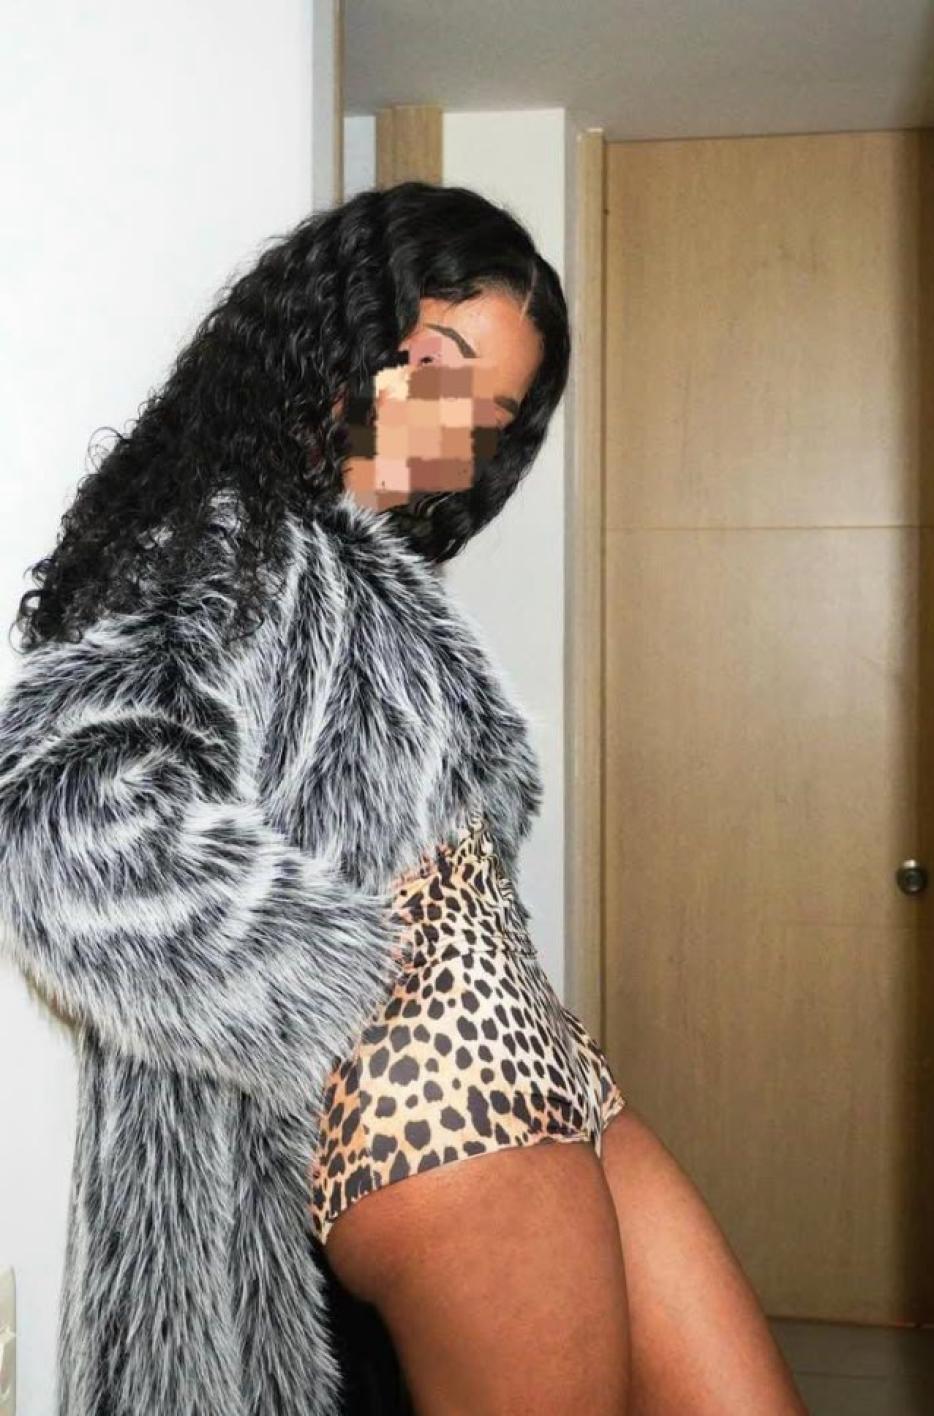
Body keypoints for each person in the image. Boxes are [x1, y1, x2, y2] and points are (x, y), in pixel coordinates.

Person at [0, 180, 807, 1414]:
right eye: (436, 361)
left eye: (488, 412)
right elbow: (63, 818)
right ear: (343, 332)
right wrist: (342, 986)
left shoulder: (362, 579)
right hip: (434, 1084)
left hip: (549, 1062)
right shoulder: (228, 541)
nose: (452, 426)